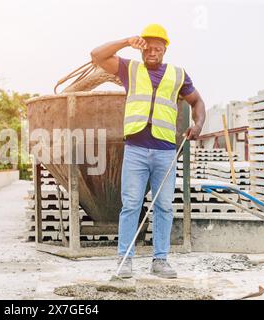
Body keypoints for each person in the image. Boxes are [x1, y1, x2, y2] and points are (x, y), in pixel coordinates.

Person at [91, 24, 206, 278]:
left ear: (164, 49)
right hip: (136, 150)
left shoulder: (178, 74)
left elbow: (197, 101)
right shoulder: (129, 69)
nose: (152, 52)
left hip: (165, 151)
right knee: (131, 205)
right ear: (142, 49)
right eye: (148, 47)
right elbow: (97, 55)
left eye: (158, 47)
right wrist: (126, 41)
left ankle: (160, 261)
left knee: (164, 206)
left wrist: (197, 124)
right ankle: (125, 260)